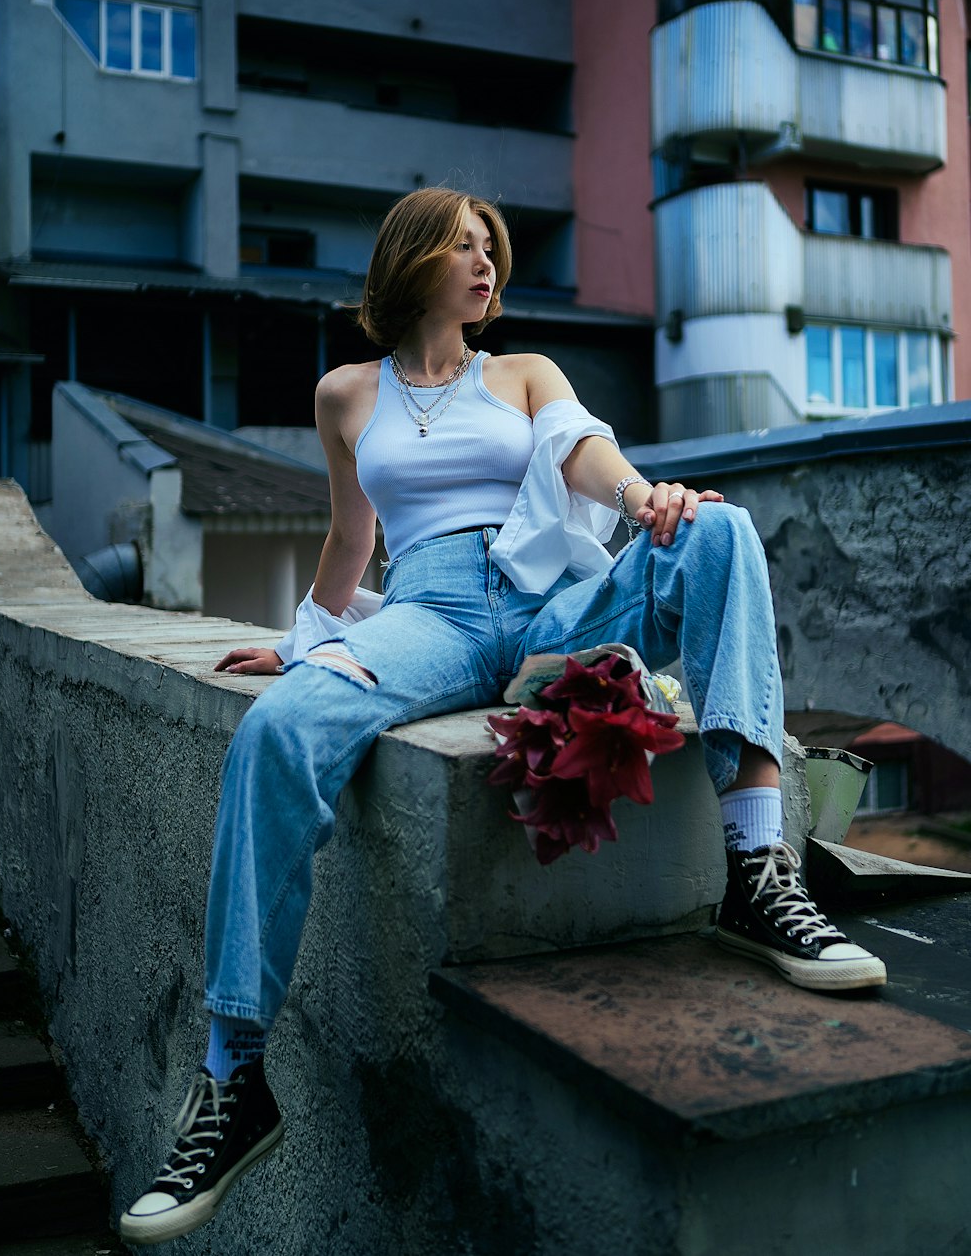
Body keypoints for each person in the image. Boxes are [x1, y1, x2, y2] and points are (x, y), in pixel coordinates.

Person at [120, 188, 886, 1245]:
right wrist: (301, 648)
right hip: (424, 617)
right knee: (276, 731)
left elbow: (583, 450)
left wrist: (640, 500)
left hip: (548, 610)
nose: (485, 265)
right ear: (412, 257)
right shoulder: (345, 394)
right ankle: (232, 1077)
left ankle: (756, 876)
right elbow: (350, 549)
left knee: (720, 531)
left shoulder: (521, 374)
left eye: (493, 250)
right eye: (463, 246)